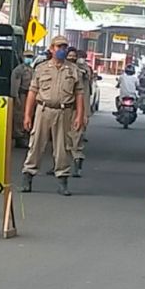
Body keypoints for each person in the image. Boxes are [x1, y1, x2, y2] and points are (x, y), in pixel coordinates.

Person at [20, 36, 85, 196]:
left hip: (64, 112)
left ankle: (63, 181)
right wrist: (27, 115)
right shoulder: (41, 68)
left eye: (65, 47)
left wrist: (80, 116)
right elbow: (32, 92)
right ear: (51, 48)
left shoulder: (73, 70)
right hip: (43, 110)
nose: (62, 49)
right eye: (59, 46)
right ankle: (28, 176)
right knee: (36, 144)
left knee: (62, 148)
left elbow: (79, 94)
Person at [66, 47, 92, 177]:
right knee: (62, 140)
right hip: (63, 109)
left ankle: (77, 163)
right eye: (68, 55)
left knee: (76, 138)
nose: (71, 58)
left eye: (73, 56)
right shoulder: (62, 70)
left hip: (78, 110)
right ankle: (59, 165)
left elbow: (85, 94)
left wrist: (85, 114)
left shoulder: (81, 72)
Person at [10, 49, 35, 148]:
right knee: (19, 116)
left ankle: (26, 135)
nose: (29, 59)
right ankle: (19, 138)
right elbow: (15, 85)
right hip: (21, 94)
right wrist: (16, 97)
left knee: (29, 115)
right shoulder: (18, 70)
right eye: (27, 56)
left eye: (30, 57)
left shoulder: (32, 70)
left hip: (30, 95)